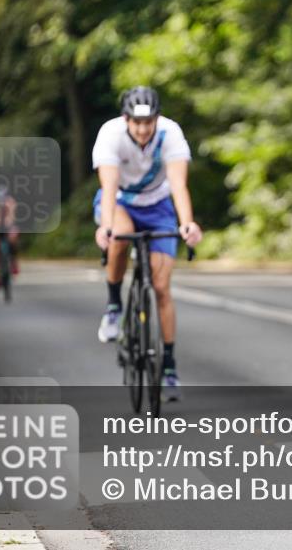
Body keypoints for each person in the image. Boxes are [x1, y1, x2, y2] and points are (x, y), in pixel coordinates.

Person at [91, 86, 203, 401]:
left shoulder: (170, 134)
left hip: (159, 207)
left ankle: (168, 365)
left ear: (157, 119)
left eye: (148, 122)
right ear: (126, 119)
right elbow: (109, 187)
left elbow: (179, 185)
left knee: (162, 287)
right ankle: (114, 306)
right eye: (136, 123)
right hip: (121, 203)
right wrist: (107, 228)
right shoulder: (110, 134)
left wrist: (187, 224)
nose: (142, 129)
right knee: (120, 238)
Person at [0, 178, 20, 286]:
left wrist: (8, 222)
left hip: (8, 226)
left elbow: (12, 215)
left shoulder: (10, 200)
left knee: (13, 238)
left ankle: (14, 262)